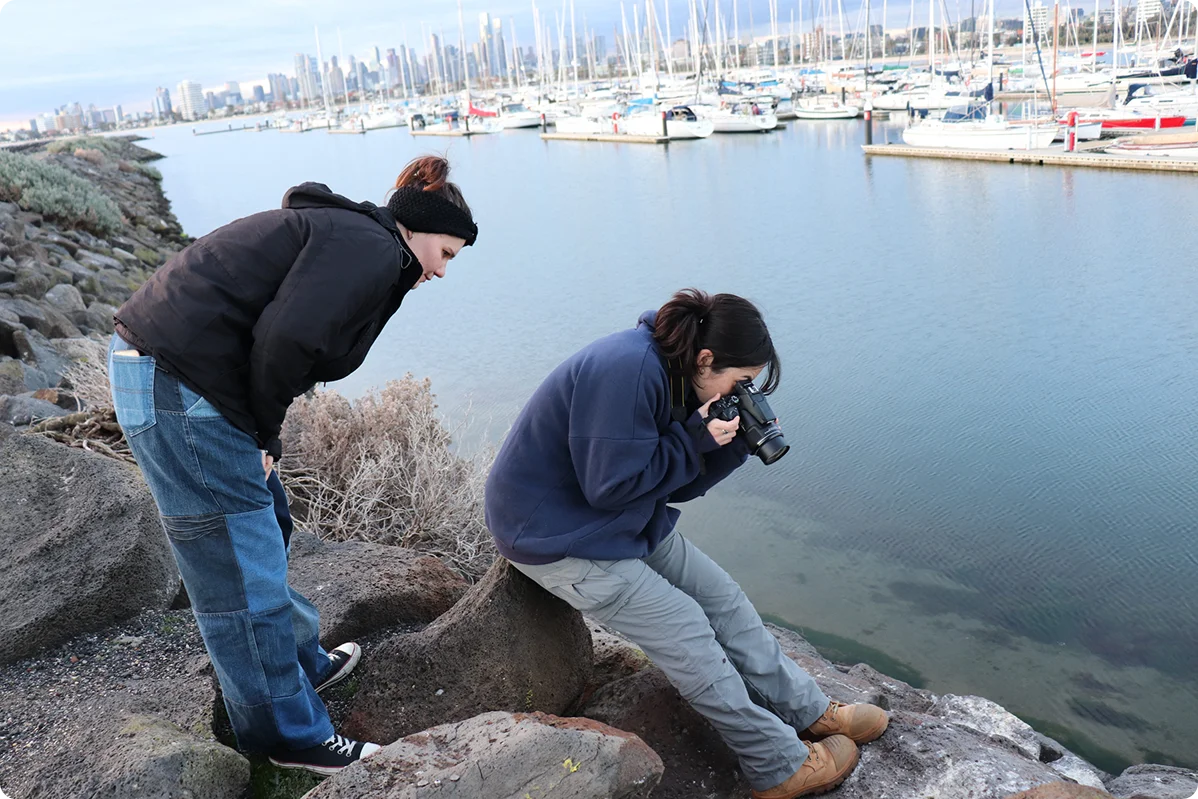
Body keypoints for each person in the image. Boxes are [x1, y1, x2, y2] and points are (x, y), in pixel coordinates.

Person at [107, 155, 477, 776]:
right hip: (179, 387)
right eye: (447, 253)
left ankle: (300, 663)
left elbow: (280, 333)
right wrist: (261, 432)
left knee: (266, 523)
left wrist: (260, 438)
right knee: (237, 565)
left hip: (184, 378)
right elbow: (286, 340)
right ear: (415, 231)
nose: (442, 271)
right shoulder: (372, 249)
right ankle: (287, 733)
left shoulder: (360, 240)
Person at [485, 289, 888, 799]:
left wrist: (731, 446)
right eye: (740, 381)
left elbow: (673, 485)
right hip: (554, 532)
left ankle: (809, 712)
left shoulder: (681, 376)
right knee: (687, 629)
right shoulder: (625, 370)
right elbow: (610, 485)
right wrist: (694, 438)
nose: (742, 391)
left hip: (614, 520)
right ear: (705, 358)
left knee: (721, 598)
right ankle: (778, 765)